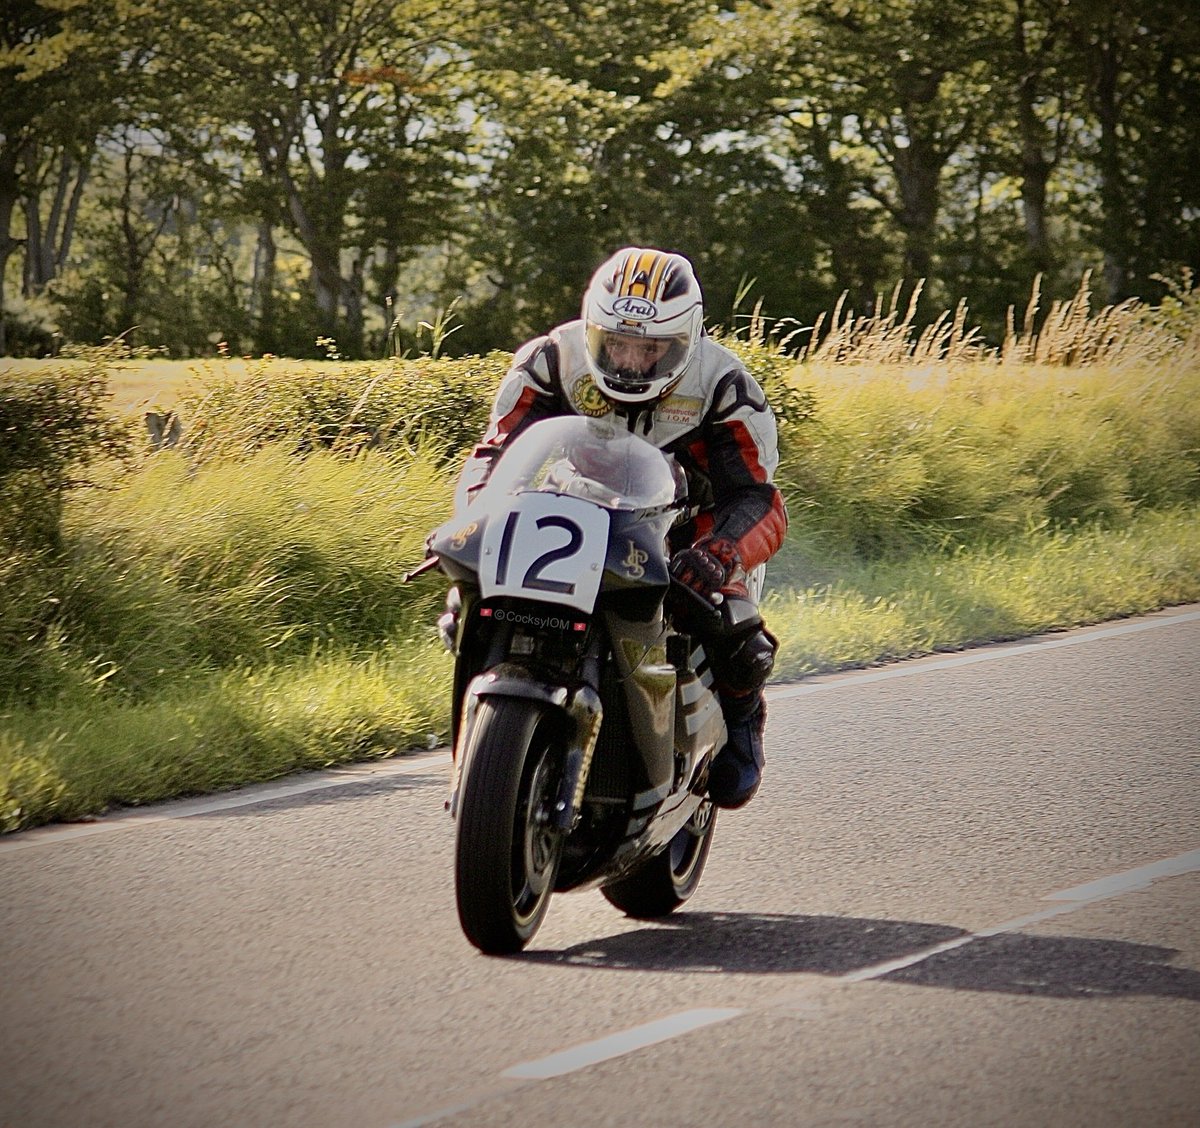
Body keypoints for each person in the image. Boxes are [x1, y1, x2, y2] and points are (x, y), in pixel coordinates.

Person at [455, 246, 787, 808]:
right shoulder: (551, 360)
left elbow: (757, 497)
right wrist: (477, 515)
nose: (631, 361)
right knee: (472, 585)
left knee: (734, 629)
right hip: (576, 504)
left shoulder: (725, 385)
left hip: (689, 528)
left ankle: (742, 717)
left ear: (685, 339)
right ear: (592, 329)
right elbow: (496, 451)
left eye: (650, 348)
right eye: (616, 343)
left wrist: (720, 553)